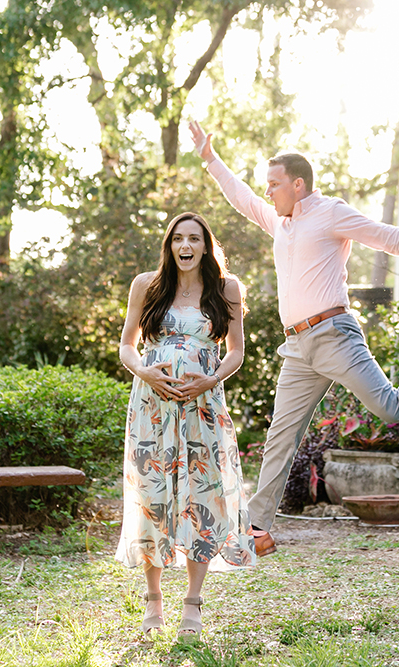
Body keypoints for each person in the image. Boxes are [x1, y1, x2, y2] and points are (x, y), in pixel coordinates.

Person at [188, 121, 399, 556]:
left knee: (390, 407)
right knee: (280, 436)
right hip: (298, 348)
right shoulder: (280, 222)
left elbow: (389, 238)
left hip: (334, 334)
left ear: (298, 184)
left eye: (274, 184)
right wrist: (210, 158)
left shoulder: (329, 212)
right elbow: (242, 198)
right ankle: (258, 529)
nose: (267, 191)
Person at [115, 212, 255, 641]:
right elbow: (126, 345)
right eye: (178, 238)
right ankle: (153, 598)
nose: (185, 246)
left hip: (203, 406)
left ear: (205, 245)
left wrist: (210, 379)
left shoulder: (226, 289)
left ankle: (193, 602)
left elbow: (236, 351)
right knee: (153, 496)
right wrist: (147, 371)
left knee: (201, 496)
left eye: (194, 238)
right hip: (152, 407)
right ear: (169, 245)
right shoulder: (147, 285)